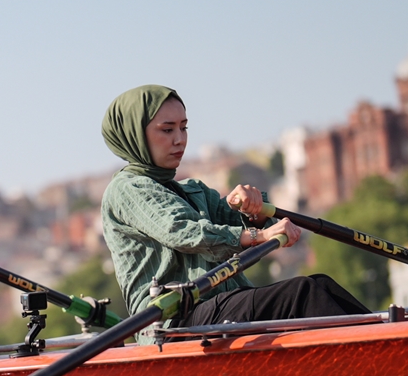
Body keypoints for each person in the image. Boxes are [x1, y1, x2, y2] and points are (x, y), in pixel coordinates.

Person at [100, 85, 370, 338]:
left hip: (220, 307)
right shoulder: (126, 189)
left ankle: (390, 343)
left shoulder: (191, 190)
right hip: (174, 323)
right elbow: (184, 231)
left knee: (321, 285)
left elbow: (232, 220)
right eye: (167, 130)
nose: (179, 140)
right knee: (302, 293)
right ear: (135, 134)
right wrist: (259, 236)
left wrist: (252, 210)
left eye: (183, 128)